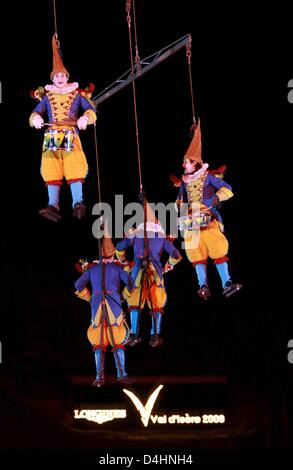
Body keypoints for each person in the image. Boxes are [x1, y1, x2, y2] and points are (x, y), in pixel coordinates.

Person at [29, 34, 97, 221]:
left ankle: (78, 202)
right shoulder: (47, 97)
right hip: (51, 135)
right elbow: (35, 112)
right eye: (56, 75)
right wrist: (35, 119)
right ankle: (53, 204)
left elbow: (91, 111)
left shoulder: (76, 95)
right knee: (51, 167)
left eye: (62, 75)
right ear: (53, 77)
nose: (59, 77)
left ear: (67, 76)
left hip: (70, 134)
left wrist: (85, 118)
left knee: (74, 165)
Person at [173, 121, 242, 299]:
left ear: (194, 163)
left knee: (217, 248)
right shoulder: (185, 181)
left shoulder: (208, 177)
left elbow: (227, 187)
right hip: (191, 221)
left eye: (186, 162)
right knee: (196, 252)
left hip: (208, 217)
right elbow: (180, 198)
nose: (183, 166)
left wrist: (218, 197)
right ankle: (203, 285)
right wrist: (180, 206)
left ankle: (226, 282)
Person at [116, 201, 182, 347]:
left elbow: (119, 247)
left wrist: (124, 260)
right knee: (156, 304)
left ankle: (133, 333)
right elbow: (177, 254)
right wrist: (168, 265)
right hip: (155, 273)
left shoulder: (136, 235)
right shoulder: (161, 237)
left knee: (134, 302)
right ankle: (155, 334)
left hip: (137, 272)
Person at [74, 229, 134, 387]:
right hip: (114, 305)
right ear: (113, 254)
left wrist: (89, 297)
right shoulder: (117, 268)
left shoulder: (92, 268)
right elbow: (131, 283)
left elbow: (78, 285)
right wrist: (125, 295)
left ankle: (99, 376)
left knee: (99, 343)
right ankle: (122, 374)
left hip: (97, 307)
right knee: (118, 341)